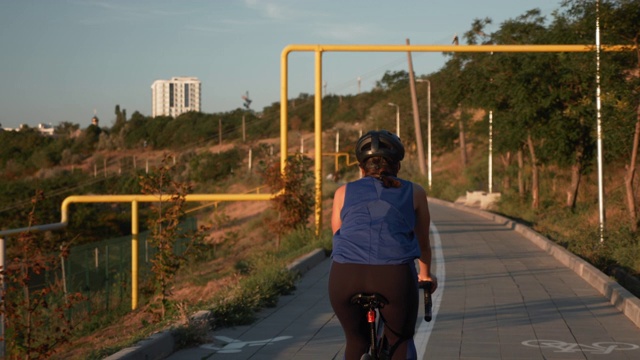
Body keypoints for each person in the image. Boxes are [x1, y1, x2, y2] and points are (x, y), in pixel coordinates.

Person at [328, 130, 438, 360]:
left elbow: (338, 234)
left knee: (356, 341)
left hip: (344, 276)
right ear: (397, 166)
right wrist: (426, 276)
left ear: (361, 167)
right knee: (401, 340)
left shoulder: (342, 192)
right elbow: (423, 243)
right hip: (393, 276)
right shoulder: (415, 192)